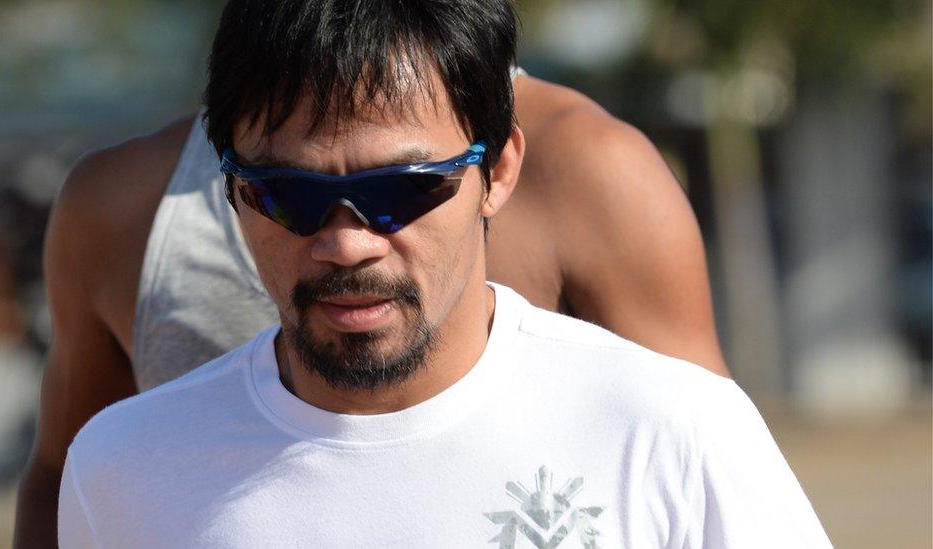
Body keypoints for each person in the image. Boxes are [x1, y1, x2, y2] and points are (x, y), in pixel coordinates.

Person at [55, 1, 829, 547]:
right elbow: (55, 476)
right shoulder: (120, 464)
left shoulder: (675, 426)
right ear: (231, 185)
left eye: (405, 189)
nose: (349, 241)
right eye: (289, 194)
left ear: (499, 171)